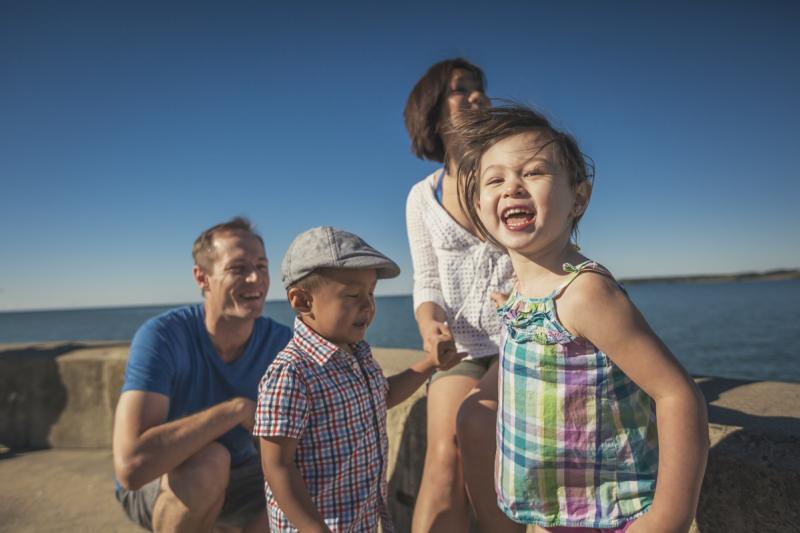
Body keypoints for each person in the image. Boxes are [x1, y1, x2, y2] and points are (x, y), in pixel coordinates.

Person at [456, 104, 709, 532]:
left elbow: (678, 395)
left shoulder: (585, 293)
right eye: (495, 179)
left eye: (533, 172)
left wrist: (669, 516)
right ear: (480, 210)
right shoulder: (523, 292)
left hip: (609, 514)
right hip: (558, 514)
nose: (513, 186)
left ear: (578, 197)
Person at [254, 226, 465, 533]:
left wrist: (431, 363)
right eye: (353, 295)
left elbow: (381, 397)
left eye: (371, 293)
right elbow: (277, 466)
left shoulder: (356, 354)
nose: (368, 305)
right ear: (302, 302)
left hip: (362, 520)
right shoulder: (292, 373)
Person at [112, 217, 292, 533]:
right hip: (165, 482)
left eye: (262, 267)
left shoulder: (280, 343)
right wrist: (236, 410)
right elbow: (132, 468)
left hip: (246, 477)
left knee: (313, 483)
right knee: (210, 462)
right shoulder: (162, 337)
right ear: (202, 277)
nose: (255, 279)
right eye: (238, 268)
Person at [404, 58, 518, 531]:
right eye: (461, 90)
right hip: (467, 350)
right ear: (432, 112)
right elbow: (426, 280)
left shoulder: (509, 171)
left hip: (522, 341)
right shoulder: (420, 196)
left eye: (480, 89)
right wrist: (429, 325)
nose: (477, 97)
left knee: (500, 463)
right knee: (443, 452)